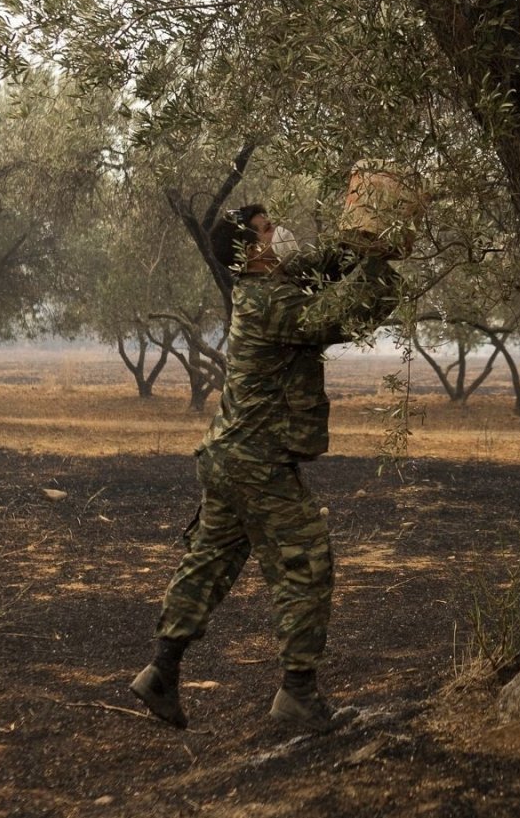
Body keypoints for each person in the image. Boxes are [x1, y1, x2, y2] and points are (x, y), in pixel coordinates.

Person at [128, 203, 403, 733]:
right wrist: (377, 266)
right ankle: (298, 693)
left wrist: (359, 240)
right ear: (249, 251)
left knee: (208, 564)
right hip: (256, 463)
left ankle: (161, 671)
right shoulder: (272, 304)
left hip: (227, 457)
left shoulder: (261, 290)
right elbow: (344, 314)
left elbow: (315, 266)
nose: (277, 234)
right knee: (307, 562)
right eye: (266, 231)